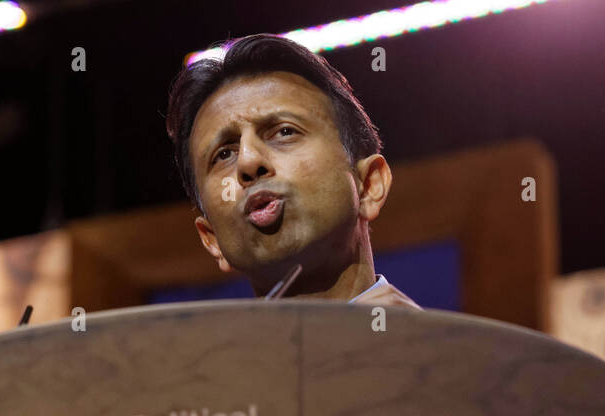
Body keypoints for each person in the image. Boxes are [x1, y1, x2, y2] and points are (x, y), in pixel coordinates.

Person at [166, 34, 421, 310]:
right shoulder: (185, 354)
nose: (248, 162)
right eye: (224, 154)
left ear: (369, 185)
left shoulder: (454, 350)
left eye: (284, 132)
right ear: (211, 238)